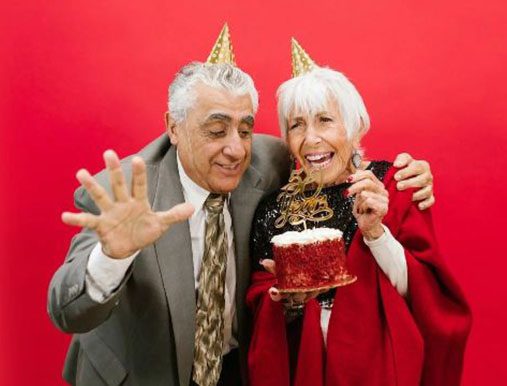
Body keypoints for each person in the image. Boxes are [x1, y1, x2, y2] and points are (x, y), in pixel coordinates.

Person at [47, 27, 436, 386]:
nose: (236, 149)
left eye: (246, 129)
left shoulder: (270, 161)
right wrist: (114, 255)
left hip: (238, 370)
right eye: (216, 131)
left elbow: (330, 156)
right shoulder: (122, 194)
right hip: (140, 375)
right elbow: (68, 311)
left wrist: (410, 175)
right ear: (174, 127)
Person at [247, 40, 471, 386]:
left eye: (325, 121)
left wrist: (376, 234)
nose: (311, 139)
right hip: (303, 371)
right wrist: (286, 302)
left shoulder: (393, 186)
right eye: (297, 125)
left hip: (379, 369)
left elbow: (425, 297)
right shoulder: (272, 209)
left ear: (354, 126)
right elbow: (259, 306)